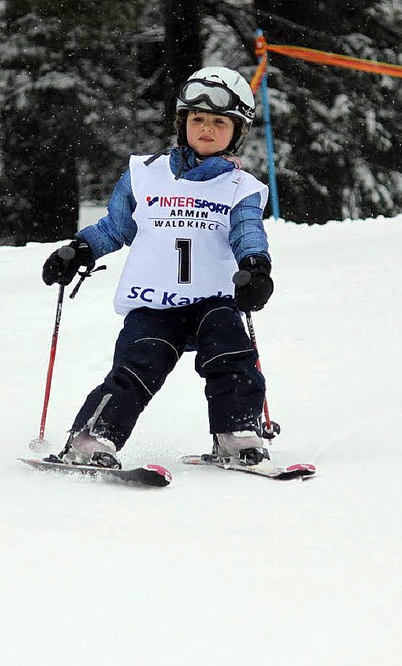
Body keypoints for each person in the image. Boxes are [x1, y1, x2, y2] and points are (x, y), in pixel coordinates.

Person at [41, 66, 274, 469]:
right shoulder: (144, 174)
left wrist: (255, 267)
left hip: (212, 301)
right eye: (197, 119)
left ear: (237, 131)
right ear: (183, 122)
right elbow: (115, 227)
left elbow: (247, 232)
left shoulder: (241, 188)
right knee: (136, 367)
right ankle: (91, 438)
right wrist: (79, 250)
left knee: (233, 356)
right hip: (152, 302)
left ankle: (237, 435)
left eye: (219, 122)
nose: (206, 128)